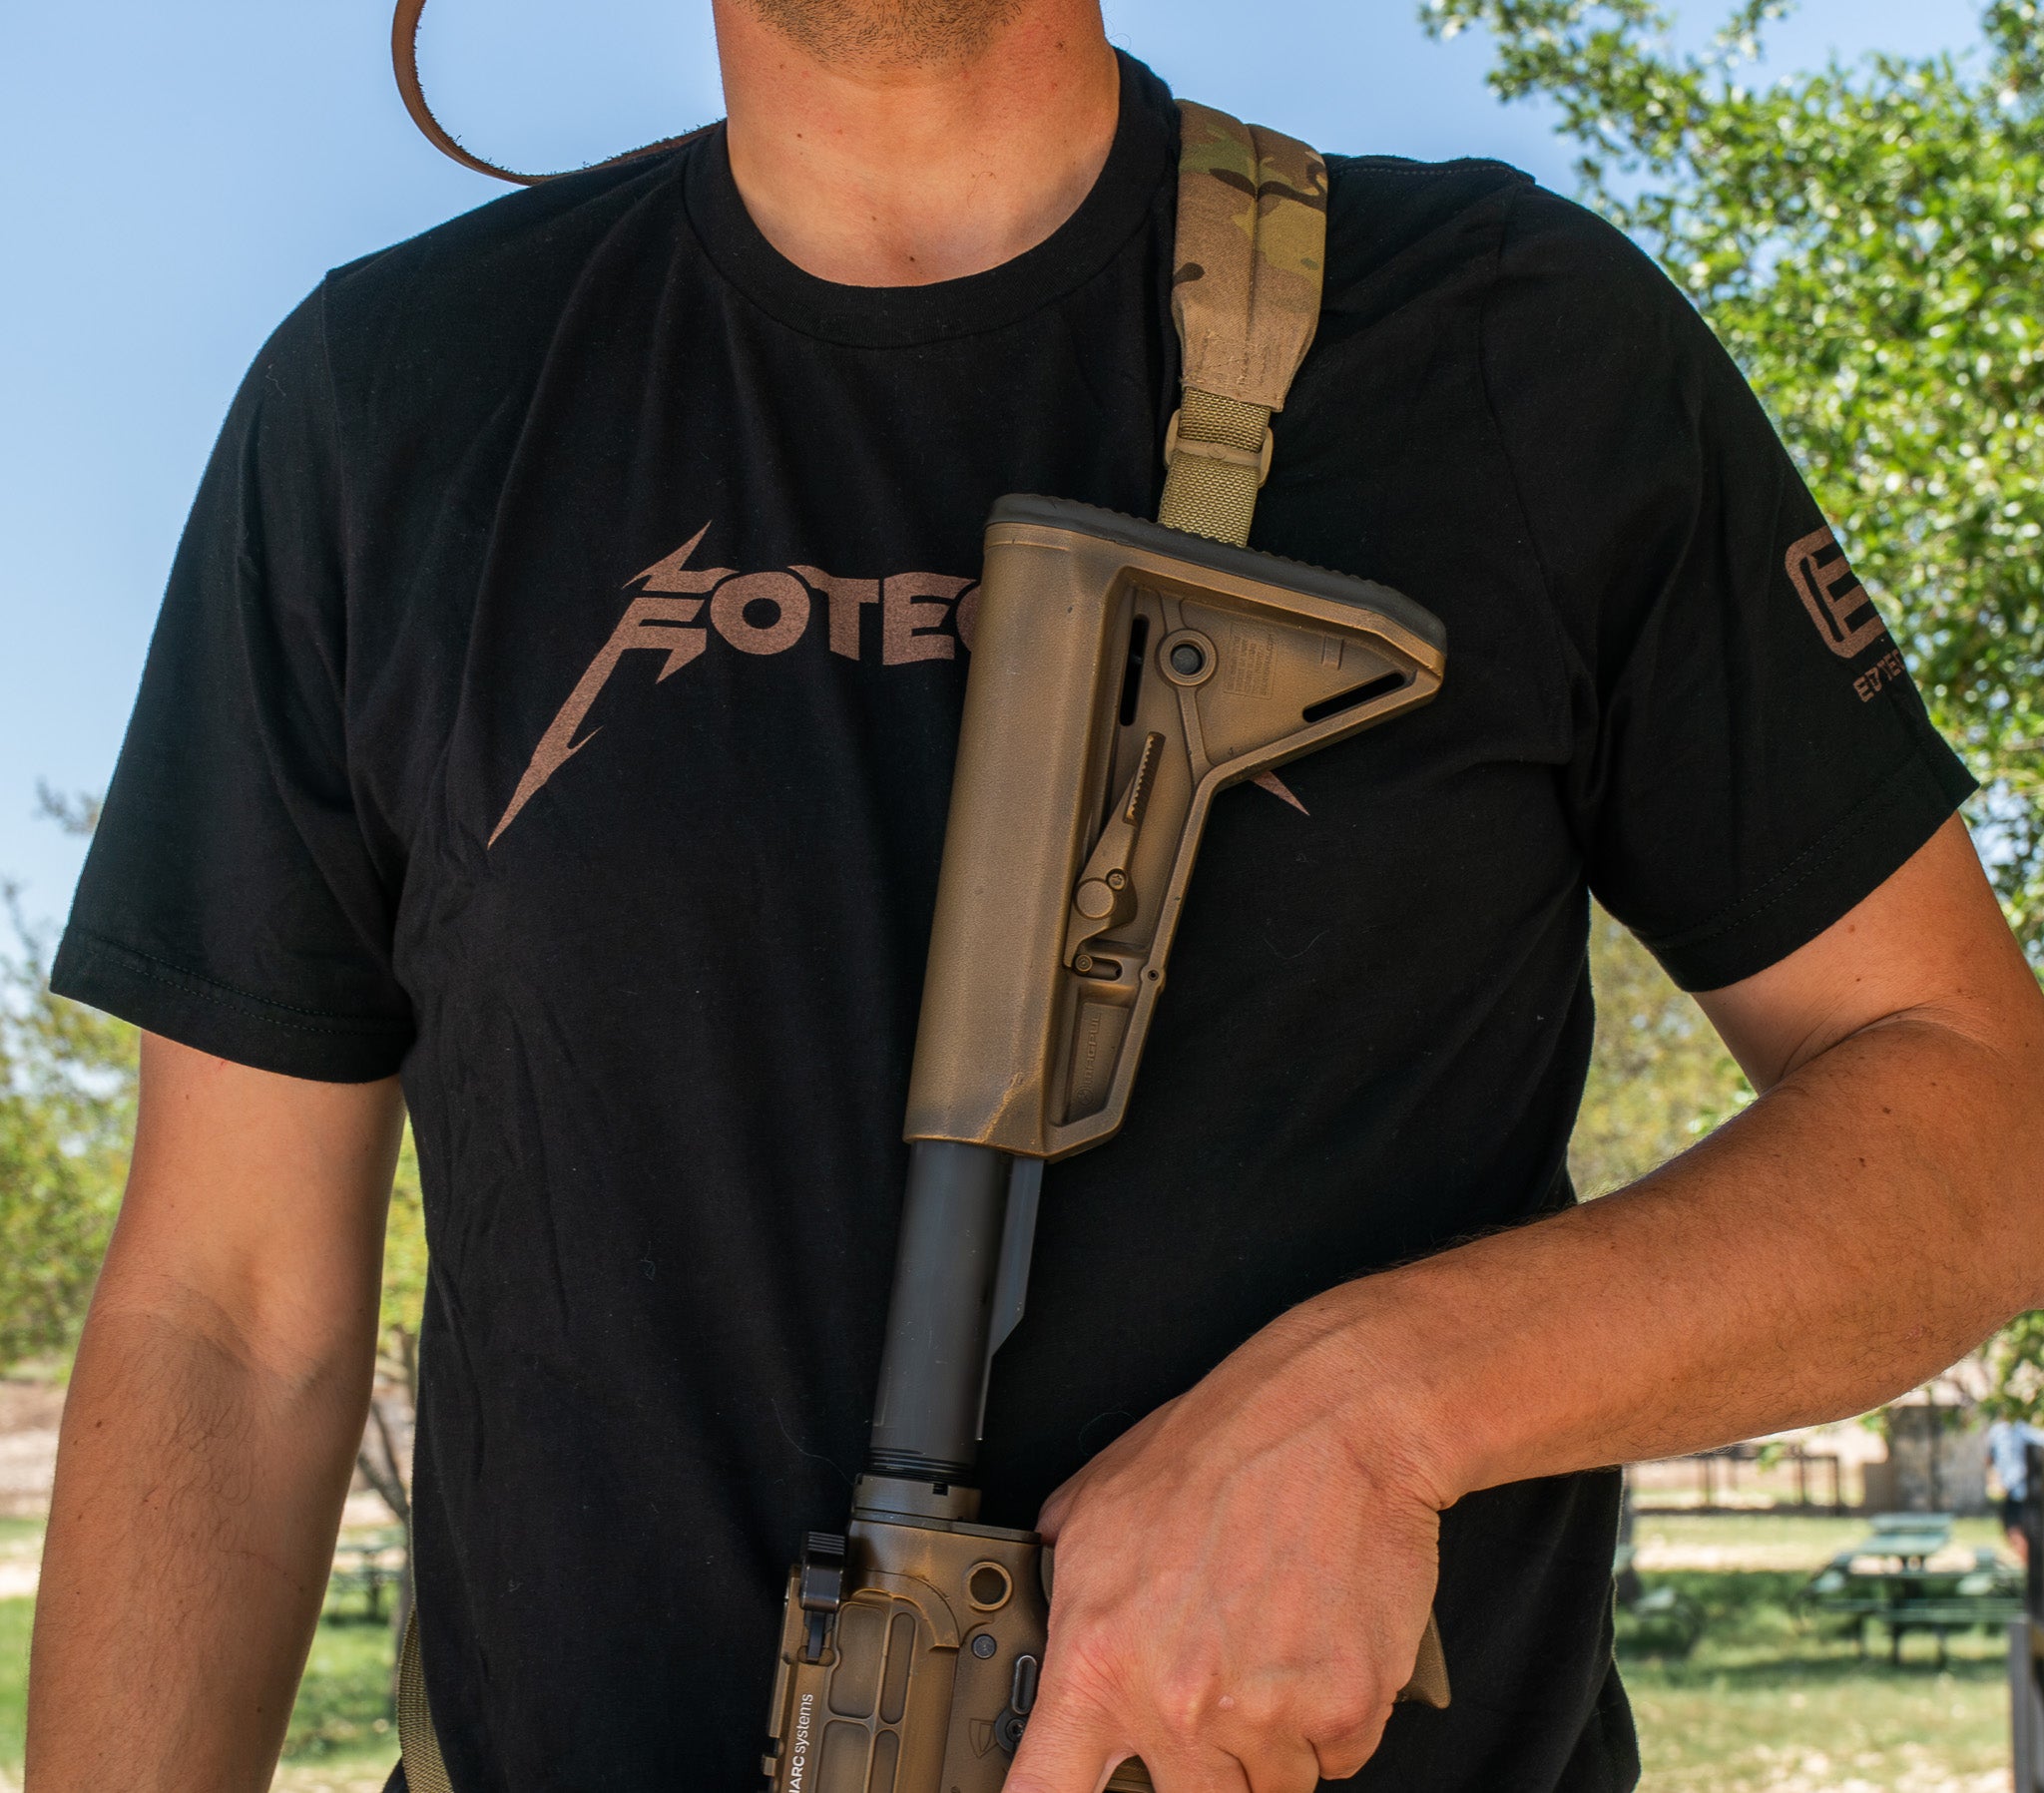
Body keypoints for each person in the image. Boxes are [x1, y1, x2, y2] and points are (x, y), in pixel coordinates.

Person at [22, 3, 2044, 1790]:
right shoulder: (387, 410)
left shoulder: (1517, 344)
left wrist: (1380, 1406)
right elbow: (228, 1320)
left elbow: (1974, 1115)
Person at [1988, 1419, 2044, 1567]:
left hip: (2023, 1494)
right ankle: (2031, 1568)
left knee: (2020, 1534)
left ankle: (2032, 1568)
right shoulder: (1998, 1430)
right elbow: (1990, 1459)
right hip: (2014, 1493)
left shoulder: (2022, 1429)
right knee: (2014, 1533)